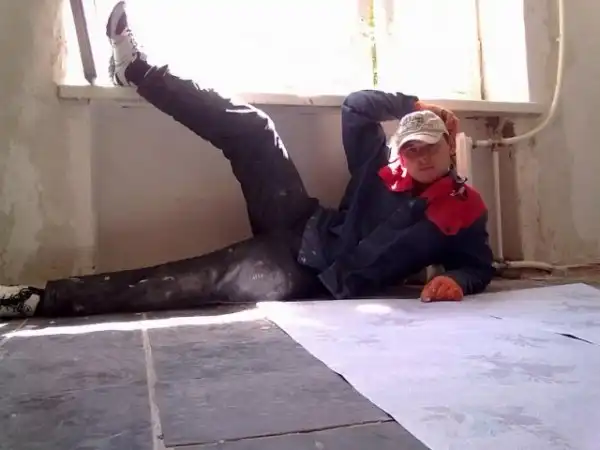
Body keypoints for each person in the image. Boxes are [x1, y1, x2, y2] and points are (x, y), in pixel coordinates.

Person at [0, 1, 495, 319]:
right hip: (304, 224)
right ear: (399, 151)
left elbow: (477, 265)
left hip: (308, 276)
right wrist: (413, 105)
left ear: (449, 148)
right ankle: (136, 72)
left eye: (429, 145)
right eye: (410, 147)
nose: (419, 156)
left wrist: (456, 280)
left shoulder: (464, 208)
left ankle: (39, 298)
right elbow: (356, 105)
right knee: (254, 129)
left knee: (202, 277)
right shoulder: (380, 168)